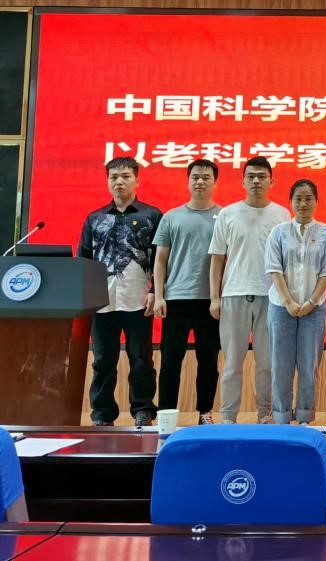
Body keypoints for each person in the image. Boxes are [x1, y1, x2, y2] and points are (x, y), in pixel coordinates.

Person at [77, 156, 162, 427]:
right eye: (114, 177)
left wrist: (156, 290)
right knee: (103, 360)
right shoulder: (95, 219)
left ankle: (143, 409)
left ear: (137, 180)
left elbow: (161, 259)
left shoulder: (152, 216)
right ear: (107, 181)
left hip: (139, 299)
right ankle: (102, 413)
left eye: (125, 176)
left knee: (141, 359)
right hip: (102, 301)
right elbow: (84, 259)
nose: (119, 182)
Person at [208, 156, 290, 423]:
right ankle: (228, 417)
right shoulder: (228, 214)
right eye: (251, 176)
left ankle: (265, 414)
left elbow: (287, 260)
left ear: (271, 181)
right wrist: (215, 297)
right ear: (243, 181)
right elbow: (217, 258)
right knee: (232, 363)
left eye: (262, 176)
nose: (256, 181)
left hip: (272, 298)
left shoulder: (282, 215)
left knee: (267, 363)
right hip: (233, 295)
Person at [152, 159, 222, 424]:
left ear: (215, 182)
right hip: (176, 299)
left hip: (210, 301)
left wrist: (219, 297)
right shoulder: (171, 217)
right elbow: (160, 260)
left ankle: (205, 413)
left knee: (208, 361)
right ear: (188, 181)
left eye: (206, 177)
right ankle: (166, 416)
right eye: (195, 177)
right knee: (170, 362)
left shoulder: (224, 217)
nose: (200, 181)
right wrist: (159, 296)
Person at [265, 179, 326, 425]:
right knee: (281, 365)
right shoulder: (278, 232)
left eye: (308, 198)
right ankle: (281, 417)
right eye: (298, 199)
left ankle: (306, 417)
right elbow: (274, 269)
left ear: (316, 201)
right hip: (280, 307)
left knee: (309, 365)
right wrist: (288, 301)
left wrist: (311, 301)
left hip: (315, 309)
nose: (303, 203)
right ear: (291, 202)